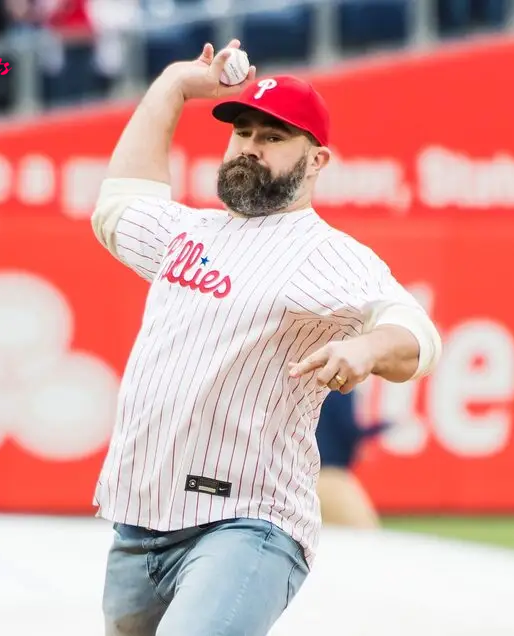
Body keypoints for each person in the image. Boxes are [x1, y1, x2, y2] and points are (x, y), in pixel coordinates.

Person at [89, 39, 442, 636]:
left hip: (246, 525)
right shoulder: (190, 232)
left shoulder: (325, 254)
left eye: (274, 138)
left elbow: (417, 334)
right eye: (243, 132)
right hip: (137, 525)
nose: (251, 147)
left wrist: (364, 348)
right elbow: (119, 205)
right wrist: (175, 86)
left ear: (317, 161)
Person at [316, 387, 391, 529]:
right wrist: (384, 427)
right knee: (367, 537)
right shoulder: (340, 385)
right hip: (330, 476)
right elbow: (349, 431)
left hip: (298, 477)